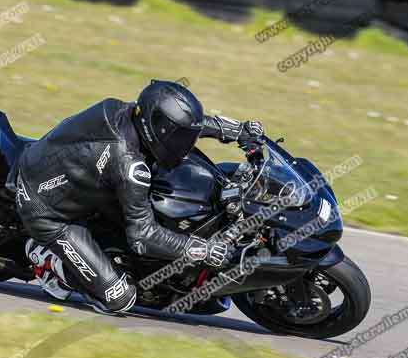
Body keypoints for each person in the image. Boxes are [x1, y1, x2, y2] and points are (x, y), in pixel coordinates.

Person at [15, 79, 264, 314]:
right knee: (119, 297)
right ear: (156, 128)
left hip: (56, 168)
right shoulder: (130, 166)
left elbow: (183, 126)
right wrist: (203, 249)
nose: (185, 145)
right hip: (48, 212)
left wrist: (237, 131)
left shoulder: (126, 111)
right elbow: (143, 237)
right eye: (179, 138)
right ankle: (49, 261)